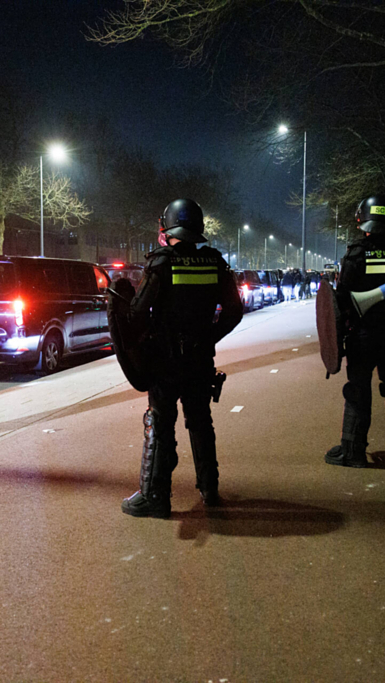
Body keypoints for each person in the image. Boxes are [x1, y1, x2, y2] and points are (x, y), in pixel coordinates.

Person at [121, 198, 244, 518]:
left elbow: (136, 313)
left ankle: (155, 497)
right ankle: (210, 489)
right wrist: (207, 338)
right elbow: (234, 311)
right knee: (201, 422)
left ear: (167, 227)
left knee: (160, 425)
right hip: (200, 360)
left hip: (165, 362)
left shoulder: (161, 263)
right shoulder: (215, 263)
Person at [326, 195, 385, 467]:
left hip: (362, 335)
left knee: (358, 390)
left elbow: (342, 300)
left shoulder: (356, 253)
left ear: (362, 219)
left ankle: (353, 450)